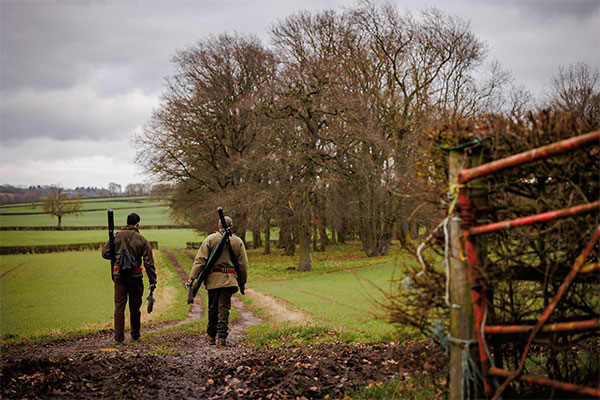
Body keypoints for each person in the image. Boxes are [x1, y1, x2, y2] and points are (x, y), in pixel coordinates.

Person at [186, 215, 248, 347]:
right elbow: (243, 265)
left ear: (219, 226)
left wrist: (192, 278)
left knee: (212, 308)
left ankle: (211, 336)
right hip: (229, 279)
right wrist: (242, 281)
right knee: (224, 309)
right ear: (232, 226)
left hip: (213, 279)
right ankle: (222, 338)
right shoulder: (237, 241)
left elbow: (200, 260)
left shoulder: (210, 239)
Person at [102, 212, 157, 343]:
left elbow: (105, 253)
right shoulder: (142, 239)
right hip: (135, 277)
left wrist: (117, 258)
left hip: (119, 276)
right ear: (137, 224)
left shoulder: (116, 237)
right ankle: (135, 334)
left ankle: (118, 338)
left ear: (126, 223)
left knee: (119, 306)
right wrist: (152, 280)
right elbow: (148, 263)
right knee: (135, 306)